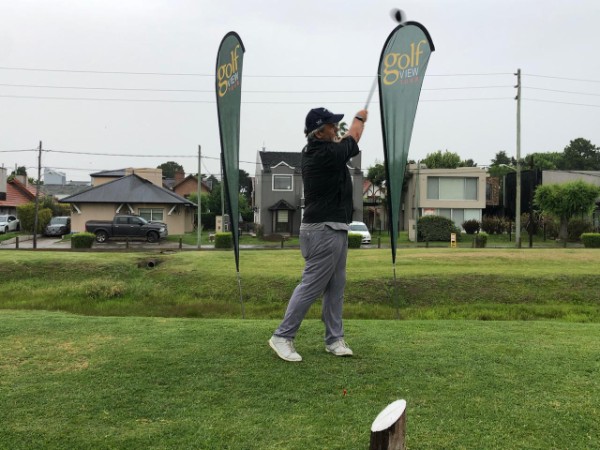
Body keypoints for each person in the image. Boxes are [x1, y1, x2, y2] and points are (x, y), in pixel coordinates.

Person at [269, 107, 368, 362]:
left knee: (336, 287)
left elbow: (345, 141)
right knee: (312, 286)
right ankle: (282, 336)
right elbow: (355, 136)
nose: (336, 129)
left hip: (334, 227)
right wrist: (360, 118)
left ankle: (334, 339)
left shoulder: (321, 150)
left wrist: (343, 135)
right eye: (332, 126)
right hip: (323, 229)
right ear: (319, 132)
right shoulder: (325, 153)